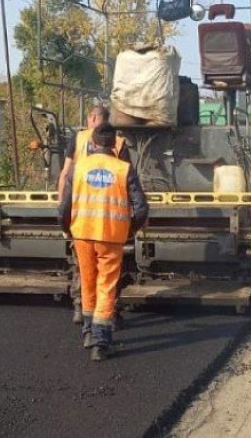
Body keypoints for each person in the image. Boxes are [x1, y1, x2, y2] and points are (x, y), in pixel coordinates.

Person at [60, 122, 149, 361]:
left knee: (88, 281)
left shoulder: (77, 169)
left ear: (93, 143)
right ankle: (100, 340)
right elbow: (141, 208)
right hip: (112, 236)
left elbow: (64, 206)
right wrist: (130, 230)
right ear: (115, 145)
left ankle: (88, 331)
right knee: (106, 285)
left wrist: (67, 229)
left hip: (82, 234)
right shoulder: (124, 169)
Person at [58, 104, 130, 325]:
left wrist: (63, 211)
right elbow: (127, 181)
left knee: (84, 270)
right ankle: (108, 314)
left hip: (83, 221)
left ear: (91, 118)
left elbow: (65, 175)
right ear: (108, 121)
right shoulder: (119, 142)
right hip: (110, 221)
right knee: (108, 275)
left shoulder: (78, 139)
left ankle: (82, 311)